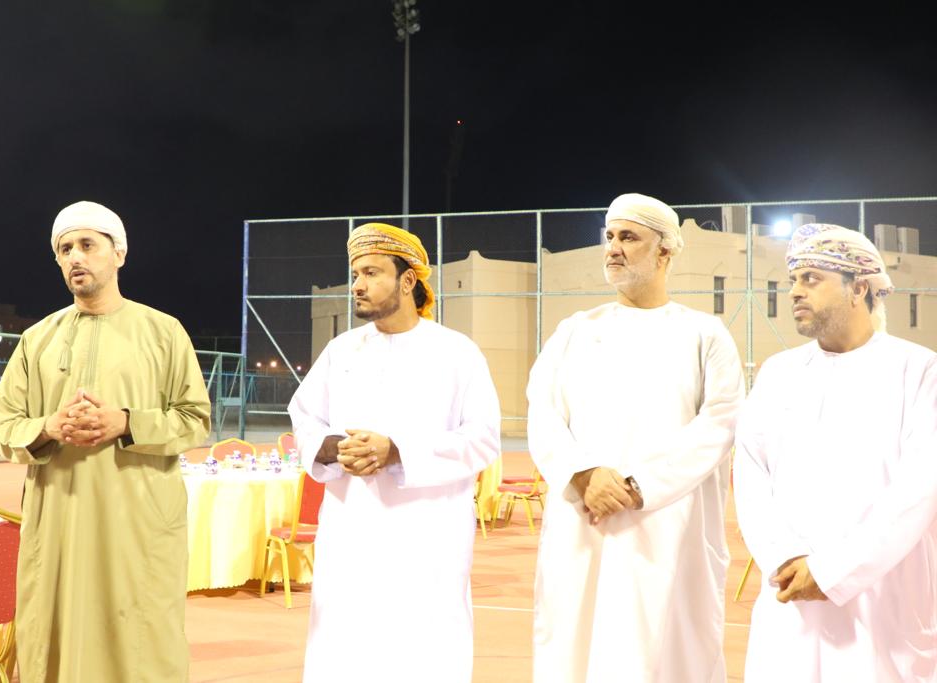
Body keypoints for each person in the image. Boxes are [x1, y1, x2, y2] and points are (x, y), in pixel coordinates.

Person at [0, 200, 211, 682]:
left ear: (119, 254)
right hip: (58, 522)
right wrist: (49, 427)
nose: (75, 257)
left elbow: (194, 419)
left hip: (136, 522)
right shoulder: (37, 339)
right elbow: (3, 426)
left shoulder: (163, 332)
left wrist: (126, 422)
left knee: (139, 641)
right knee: (53, 635)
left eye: (87, 245)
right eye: (65, 249)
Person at [527, 193, 745, 682]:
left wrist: (638, 486)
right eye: (609, 236)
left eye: (628, 237)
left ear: (665, 250)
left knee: (665, 654)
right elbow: (543, 413)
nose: (613, 248)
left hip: (669, 527)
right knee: (577, 649)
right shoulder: (574, 331)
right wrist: (583, 475)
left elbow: (720, 423)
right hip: (584, 522)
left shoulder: (704, 334)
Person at [288, 222, 501, 683]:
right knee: (344, 648)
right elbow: (304, 417)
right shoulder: (341, 350)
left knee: (423, 652)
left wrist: (397, 451)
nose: (357, 285)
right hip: (351, 531)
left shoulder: (456, 352)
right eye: (355, 274)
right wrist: (334, 448)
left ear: (407, 281)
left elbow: (483, 438)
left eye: (371, 273)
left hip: (427, 537)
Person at [733, 223, 937, 682]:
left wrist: (833, 572)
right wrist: (783, 558)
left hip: (881, 604)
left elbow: (919, 491)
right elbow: (750, 474)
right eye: (793, 280)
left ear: (858, 287)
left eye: (811, 279)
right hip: (790, 597)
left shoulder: (919, 370)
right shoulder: (779, 373)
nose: (794, 291)